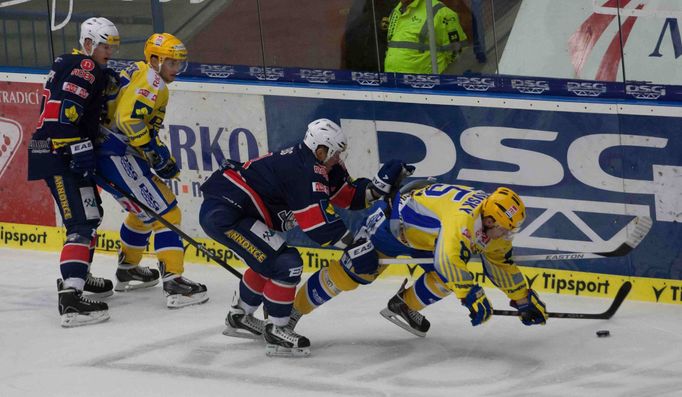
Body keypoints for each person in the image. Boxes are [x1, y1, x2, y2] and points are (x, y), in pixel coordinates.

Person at [199, 118, 413, 357]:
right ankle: (277, 330)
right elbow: (318, 226)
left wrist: (377, 188)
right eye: (335, 154)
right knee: (286, 264)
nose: (338, 159)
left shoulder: (320, 164)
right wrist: (354, 245)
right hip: (226, 213)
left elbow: (348, 196)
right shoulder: (306, 171)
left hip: (234, 210)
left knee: (268, 261)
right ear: (321, 150)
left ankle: (240, 316)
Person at [290, 182, 548, 336]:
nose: (507, 234)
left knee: (448, 279)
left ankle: (404, 305)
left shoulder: (493, 223)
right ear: (490, 219)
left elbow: (499, 263)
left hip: (426, 238)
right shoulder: (463, 220)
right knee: (353, 274)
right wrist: (471, 296)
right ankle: (292, 311)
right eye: (504, 228)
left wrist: (522, 299)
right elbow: (449, 260)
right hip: (392, 226)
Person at [95, 33, 208, 309]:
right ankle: (174, 281)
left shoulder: (140, 71)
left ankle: (128, 269)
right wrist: (155, 154)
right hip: (117, 154)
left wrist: (154, 153)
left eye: (180, 63)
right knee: (166, 212)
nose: (176, 69)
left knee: (143, 211)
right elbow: (128, 120)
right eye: (171, 63)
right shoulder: (152, 81)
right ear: (155, 59)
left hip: (109, 153)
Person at [27, 17, 120, 327]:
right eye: (105, 46)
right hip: (58, 151)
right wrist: (75, 149)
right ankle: (71, 296)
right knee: (80, 223)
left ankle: (80, 273)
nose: (110, 52)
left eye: (112, 46)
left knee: (91, 216)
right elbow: (66, 112)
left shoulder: (72, 63)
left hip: (54, 149)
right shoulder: (86, 67)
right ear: (89, 43)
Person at [384, 0, 468, 74]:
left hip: (424, 87)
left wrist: (442, 85)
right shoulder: (396, 11)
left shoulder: (440, 12)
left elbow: (458, 56)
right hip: (393, 85)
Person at [342, 0, 398, 71]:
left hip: (384, 70)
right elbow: (347, 39)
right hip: (356, 70)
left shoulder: (395, 8)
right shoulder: (358, 8)